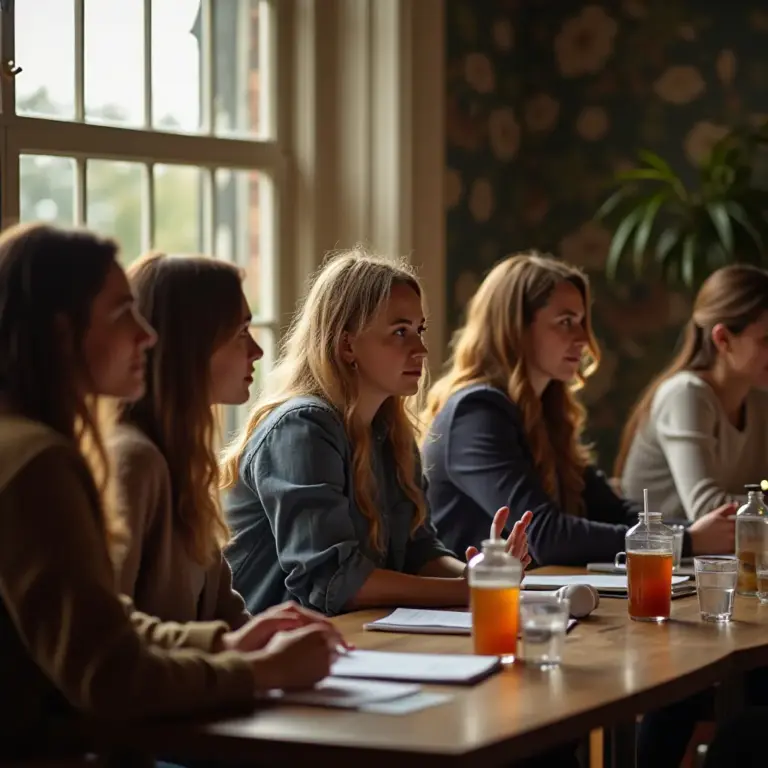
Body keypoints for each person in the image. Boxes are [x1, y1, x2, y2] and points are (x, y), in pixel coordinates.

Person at [0, 223, 343, 761]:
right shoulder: (42, 461)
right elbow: (107, 672)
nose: (147, 334)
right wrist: (261, 669)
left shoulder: (46, 448)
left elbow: (106, 620)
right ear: (59, 332)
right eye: (121, 314)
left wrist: (224, 645)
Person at [221, 248, 530, 616]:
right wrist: (468, 591)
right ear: (347, 344)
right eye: (400, 332)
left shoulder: (389, 431)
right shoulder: (301, 427)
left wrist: (486, 576)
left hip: (353, 640)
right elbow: (333, 581)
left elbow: (419, 551)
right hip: (273, 653)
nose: (421, 348)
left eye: (420, 329)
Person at [420, 252, 734, 568]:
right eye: (566, 322)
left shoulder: (545, 413)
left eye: (582, 322)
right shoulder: (475, 413)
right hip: (469, 607)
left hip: (528, 596)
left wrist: (695, 532)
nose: (584, 338)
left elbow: (613, 510)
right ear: (515, 328)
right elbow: (542, 534)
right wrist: (687, 541)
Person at [110, 252, 262, 626]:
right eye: (241, 333)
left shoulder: (184, 458)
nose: (257, 351)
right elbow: (107, 635)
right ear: (190, 344)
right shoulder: (133, 461)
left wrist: (278, 638)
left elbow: (227, 618)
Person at [617, 264, 768, 522]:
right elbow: (707, 509)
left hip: (717, 560)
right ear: (723, 339)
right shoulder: (685, 395)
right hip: (656, 558)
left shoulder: (757, 396)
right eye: (766, 340)